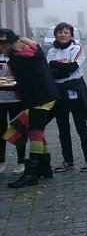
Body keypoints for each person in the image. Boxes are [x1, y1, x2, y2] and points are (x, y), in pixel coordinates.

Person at [0, 29, 58, 188]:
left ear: (7, 45)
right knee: (38, 132)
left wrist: (4, 86)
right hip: (47, 94)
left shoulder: (18, 58)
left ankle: (31, 173)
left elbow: (23, 83)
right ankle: (45, 168)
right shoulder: (31, 49)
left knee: (35, 133)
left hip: (38, 98)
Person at [47, 22, 87, 173]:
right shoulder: (51, 51)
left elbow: (72, 68)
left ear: (71, 35)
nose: (63, 35)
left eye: (66, 32)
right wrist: (62, 68)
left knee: (81, 128)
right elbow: (50, 73)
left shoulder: (77, 48)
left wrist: (56, 65)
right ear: (56, 34)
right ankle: (68, 160)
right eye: (60, 32)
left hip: (75, 94)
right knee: (63, 130)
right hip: (59, 95)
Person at [0, 50, 27, 175]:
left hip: (16, 99)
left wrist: (3, 83)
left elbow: (23, 77)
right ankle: (1, 161)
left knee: (18, 130)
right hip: (1, 100)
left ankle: (21, 161)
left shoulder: (17, 55)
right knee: (1, 130)